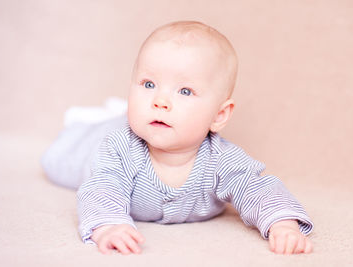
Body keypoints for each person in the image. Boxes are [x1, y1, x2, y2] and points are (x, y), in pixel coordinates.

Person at [42, 21, 314, 255]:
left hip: (133, 123)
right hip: (94, 142)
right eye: (149, 85)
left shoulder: (222, 160)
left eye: (184, 91)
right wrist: (108, 225)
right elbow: (102, 188)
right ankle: (87, 121)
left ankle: (112, 112)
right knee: (59, 161)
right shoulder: (119, 149)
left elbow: (257, 188)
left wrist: (282, 223)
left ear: (219, 115)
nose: (160, 101)